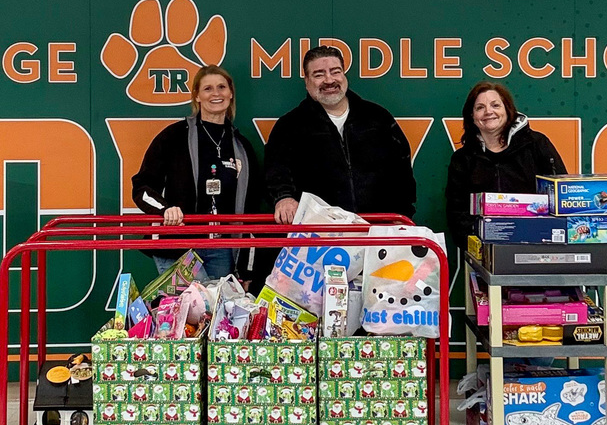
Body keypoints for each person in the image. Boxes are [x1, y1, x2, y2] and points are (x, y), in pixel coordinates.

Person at [131, 65, 262, 279]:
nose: (216, 93)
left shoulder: (241, 146)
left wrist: (247, 270)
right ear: (197, 96)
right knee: (193, 308)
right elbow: (142, 187)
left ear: (230, 94)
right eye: (208, 88)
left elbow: (251, 210)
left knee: (218, 311)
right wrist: (165, 210)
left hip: (223, 250)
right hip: (179, 245)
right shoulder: (174, 136)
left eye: (221, 87)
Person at [265, 45, 416, 223]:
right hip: (317, 236)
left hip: (377, 230)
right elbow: (276, 170)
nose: (329, 80)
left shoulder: (378, 118)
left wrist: (401, 215)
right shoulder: (289, 126)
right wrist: (284, 197)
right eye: (319, 74)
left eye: (335, 72)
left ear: (344, 75)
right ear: (306, 81)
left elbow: (401, 173)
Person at [445, 81, 567, 254]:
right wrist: (475, 245)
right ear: (471, 116)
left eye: (495, 105)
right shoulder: (462, 159)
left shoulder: (537, 144)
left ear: (508, 110)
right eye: (480, 107)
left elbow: (560, 194)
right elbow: (456, 212)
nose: (488, 112)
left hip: (539, 247)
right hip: (484, 252)